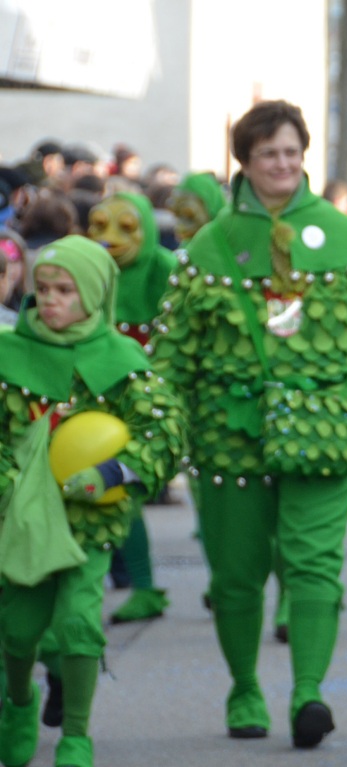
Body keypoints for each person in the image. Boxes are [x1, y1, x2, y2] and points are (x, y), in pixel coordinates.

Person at [149, 99, 347, 750]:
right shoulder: (207, 249)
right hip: (230, 436)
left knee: (312, 567)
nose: (282, 164)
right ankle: (245, 684)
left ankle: (308, 691)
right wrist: (156, 435)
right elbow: (171, 356)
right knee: (236, 575)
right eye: (268, 153)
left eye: (291, 152)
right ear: (244, 163)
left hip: (325, 432)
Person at [0, 234, 184, 767]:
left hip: (90, 520)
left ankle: (76, 735)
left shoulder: (121, 357)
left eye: (66, 290)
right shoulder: (8, 352)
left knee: (80, 622)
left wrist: (113, 473)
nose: (51, 299)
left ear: (97, 295)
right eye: (43, 288)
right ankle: (18, 702)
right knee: (16, 629)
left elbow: (164, 433)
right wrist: (9, 482)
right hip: (21, 520)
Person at [87, 191, 179, 622]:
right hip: (109, 396)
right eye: (99, 225)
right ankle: (143, 586)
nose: (109, 238)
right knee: (125, 489)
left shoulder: (166, 269)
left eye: (125, 227)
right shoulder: (90, 270)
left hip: (168, 397)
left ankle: (232, 584)